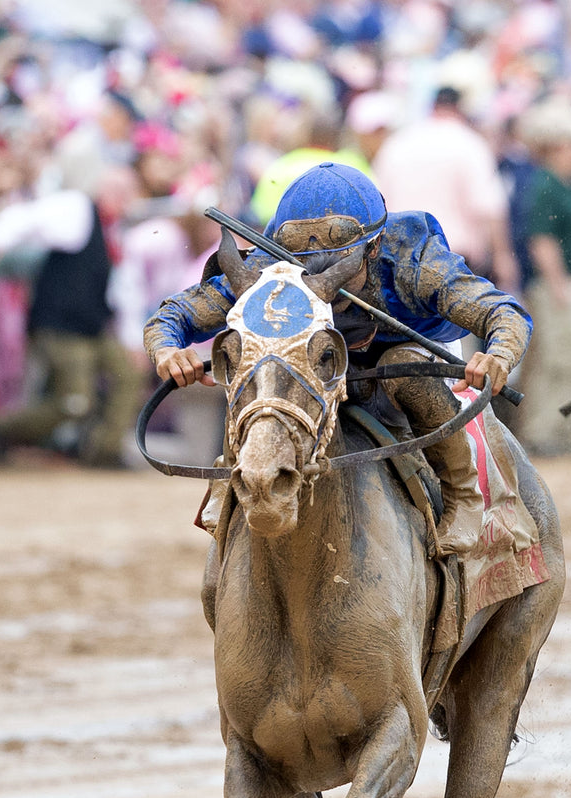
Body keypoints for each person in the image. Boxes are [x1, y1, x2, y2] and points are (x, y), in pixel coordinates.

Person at [145, 161, 529, 556]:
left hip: (404, 362)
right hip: (315, 361)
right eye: (306, 266)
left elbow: (504, 313)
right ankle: (235, 473)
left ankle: (462, 494)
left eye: (335, 268)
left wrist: (499, 354)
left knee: (401, 365)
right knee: (257, 358)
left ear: (374, 247)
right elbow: (172, 316)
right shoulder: (269, 266)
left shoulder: (418, 264)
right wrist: (168, 350)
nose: (320, 280)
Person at [0, 167, 145, 467]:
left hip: (93, 328)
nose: (125, 200)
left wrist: (133, 341)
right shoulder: (77, 209)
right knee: (76, 401)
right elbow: (26, 217)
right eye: (119, 192)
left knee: (129, 373)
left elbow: (126, 291)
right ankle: (2, 431)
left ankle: (104, 450)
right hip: (60, 326)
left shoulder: (116, 230)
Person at [515, 99, 571, 455]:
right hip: (559, 284)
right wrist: (557, 284)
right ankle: (544, 431)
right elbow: (542, 238)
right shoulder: (545, 184)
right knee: (555, 359)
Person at [374, 86, 519, 289]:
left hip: (400, 256)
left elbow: (378, 202)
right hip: (453, 259)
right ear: (459, 109)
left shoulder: (397, 143)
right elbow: (490, 207)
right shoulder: (469, 144)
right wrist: (502, 257)